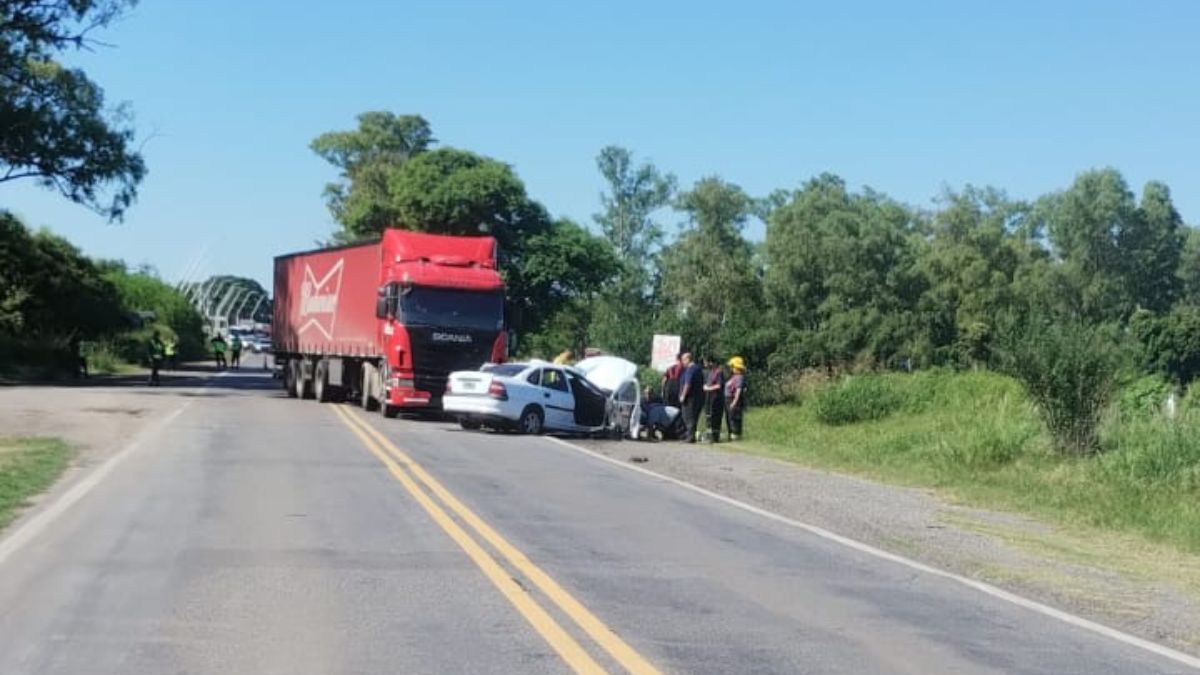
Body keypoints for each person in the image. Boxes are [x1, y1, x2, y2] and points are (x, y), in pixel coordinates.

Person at [677, 352, 704, 443]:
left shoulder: (690, 370)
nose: (682, 362)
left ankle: (690, 437)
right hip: (698, 397)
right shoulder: (698, 369)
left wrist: (683, 395)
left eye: (683, 360)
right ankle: (690, 435)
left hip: (690, 398)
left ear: (688, 359)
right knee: (693, 417)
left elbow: (687, 384)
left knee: (688, 417)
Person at [702, 355, 725, 442]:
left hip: (716, 398)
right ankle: (709, 435)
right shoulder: (710, 372)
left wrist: (708, 388)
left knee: (715, 416)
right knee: (708, 416)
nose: (705, 364)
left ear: (711, 362)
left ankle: (715, 437)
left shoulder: (718, 372)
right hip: (709, 396)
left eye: (706, 362)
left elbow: (719, 385)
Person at [725, 356, 747, 441]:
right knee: (729, 418)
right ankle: (731, 434)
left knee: (734, 418)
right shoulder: (733, 376)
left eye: (732, 366)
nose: (730, 368)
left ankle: (736, 435)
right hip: (728, 399)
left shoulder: (739, 377)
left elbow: (738, 390)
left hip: (733, 399)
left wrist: (734, 402)